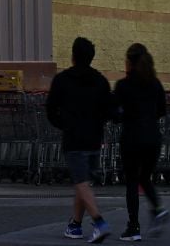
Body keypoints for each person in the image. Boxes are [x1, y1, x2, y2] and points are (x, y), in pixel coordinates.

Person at [46, 37, 116, 243]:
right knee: (83, 182)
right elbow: (109, 110)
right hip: (94, 139)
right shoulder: (100, 81)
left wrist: (64, 124)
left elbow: (51, 109)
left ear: (73, 56)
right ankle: (75, 225)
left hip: (74, 139)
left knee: (81, 182)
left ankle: (99, 222)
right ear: (91, 57)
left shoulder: (62, 80)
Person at [114, 43, 170, 241]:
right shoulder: (155, 84)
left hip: (132, 138)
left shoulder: (123, 85)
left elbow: (115, 112)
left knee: (132, 181)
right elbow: (162, 110)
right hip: (153, 138)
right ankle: (158, 208)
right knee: (144, 177)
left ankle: (133, 227)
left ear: (129, 62)